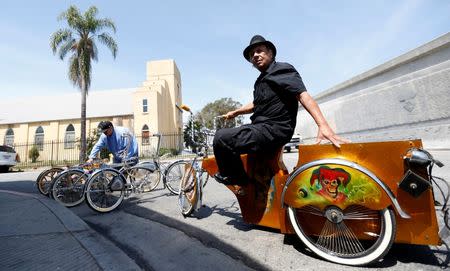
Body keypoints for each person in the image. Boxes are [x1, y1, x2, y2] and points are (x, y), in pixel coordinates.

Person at [213, 35, 349, 184]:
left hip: (274, 129)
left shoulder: (282, 69)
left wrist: (322, 125)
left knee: (221, 137)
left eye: (259, 51)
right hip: (261, 128)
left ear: (270, 53)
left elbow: (302, 95)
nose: (255, 56)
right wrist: (236, 112)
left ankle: (239, 180)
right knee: (232, 142)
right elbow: (256, 104)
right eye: (252, 55)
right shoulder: (261, 80)